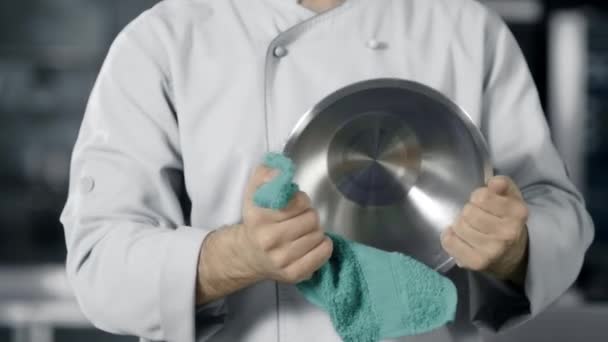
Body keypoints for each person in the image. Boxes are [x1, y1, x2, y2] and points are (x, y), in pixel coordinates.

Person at [60, 0, 595, 341]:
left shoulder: (463, 26)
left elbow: (557, 214)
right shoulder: (161, 42)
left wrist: (514, 248)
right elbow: (100, 263)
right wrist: (236, 255)